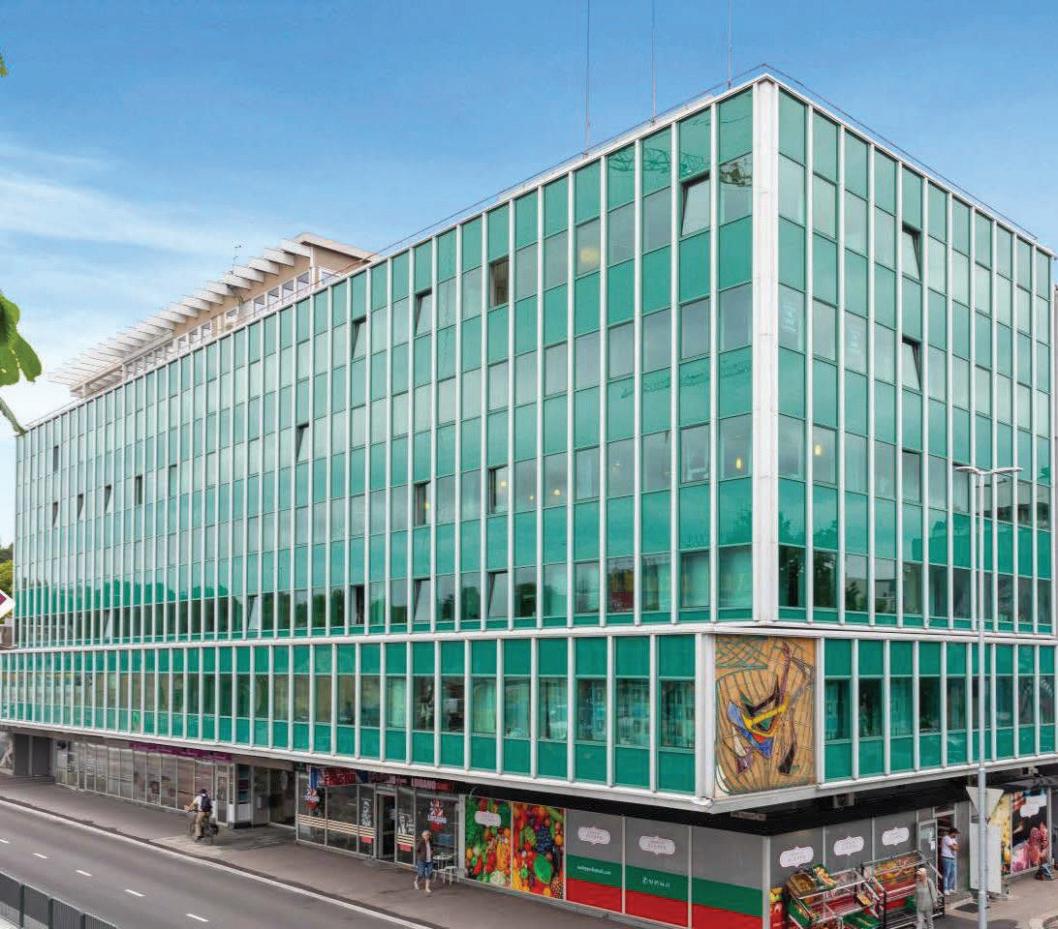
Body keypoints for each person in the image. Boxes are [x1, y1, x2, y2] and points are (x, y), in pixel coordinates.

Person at [940, 827, 959, 894]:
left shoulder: (952, 839)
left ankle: (950, 888)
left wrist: (955, 846)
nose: (956, 835)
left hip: (952, 858)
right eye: (955, 833)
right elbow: (953, 848)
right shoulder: (946, 838)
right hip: (946, 858)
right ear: (952, 833)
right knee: (947, 873)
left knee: (952, 873)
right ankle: (945, 889)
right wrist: (954, 846)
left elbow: (957, 847)